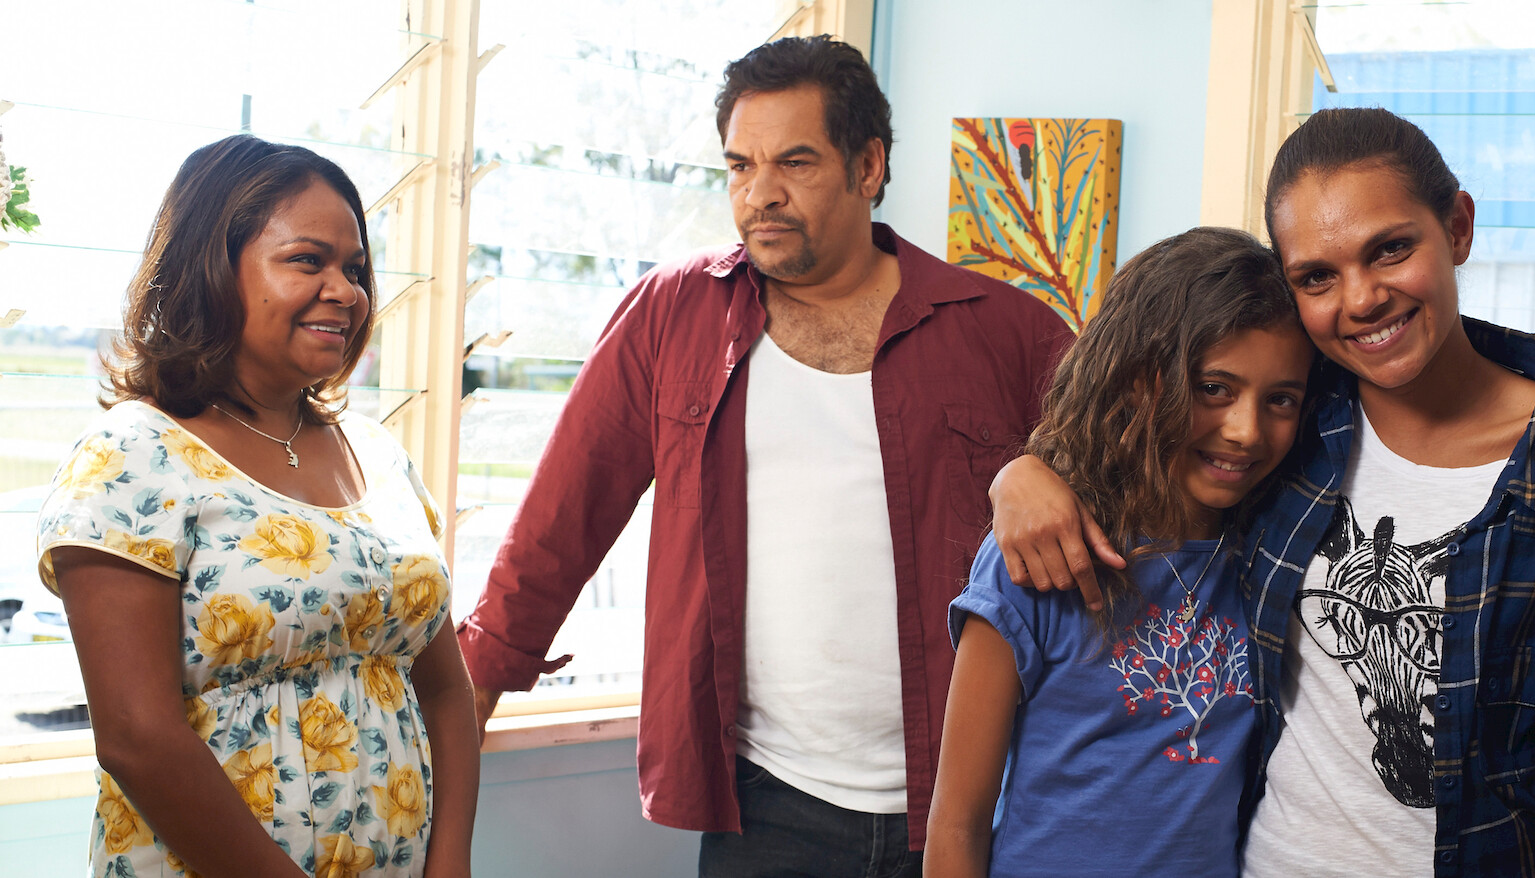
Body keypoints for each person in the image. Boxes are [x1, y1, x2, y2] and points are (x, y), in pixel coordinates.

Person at [989, 108, 1535, 876]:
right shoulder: (1295, 422)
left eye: (1390, 249)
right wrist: (1023, 473)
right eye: (1317, 276)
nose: (1361, 299)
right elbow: (1143, 433)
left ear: (1457, 227)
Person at [454, 36, 1071, 877]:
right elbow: (564, 514)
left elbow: (1125, 507)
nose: (760, 195)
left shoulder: (1007, 331)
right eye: (740, 167)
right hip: (769, 806)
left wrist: (1035, 472)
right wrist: (470, 694)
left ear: (868, 166)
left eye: (795, 163)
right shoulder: (671, 315)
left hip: (976, 804)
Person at [35, 134, 479, 878]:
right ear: (210, 269)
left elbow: (443, 689)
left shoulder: (380, 457)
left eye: (355, 269)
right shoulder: (133, 457)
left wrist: (451, 863)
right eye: (308, 260)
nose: (346, 291)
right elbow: (138, 736)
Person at [924, 227, 1315, 878]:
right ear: (1139, 379)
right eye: (1214, 388)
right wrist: (1017, 474)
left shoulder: (1269, 554)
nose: (1246, 431)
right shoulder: (1038, 555)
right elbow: (957, 824)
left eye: (1280, 400)